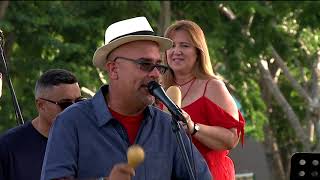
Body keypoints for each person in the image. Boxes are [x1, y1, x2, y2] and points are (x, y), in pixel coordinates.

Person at [41, 16, 212, 180]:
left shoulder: (168, 126)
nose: (155, 74)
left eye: (158, 65)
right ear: (114, 69)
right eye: (145, 65)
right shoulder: (71, 122)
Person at [161, 20, 245, 180]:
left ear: (198, 52)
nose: (176, 51)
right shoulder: (159, 91)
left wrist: (193, 128)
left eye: (184, 46)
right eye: (172, 46)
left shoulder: (213, 86)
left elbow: (231, 139)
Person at [0, 69, 82, 180]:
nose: (74, 109)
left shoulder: (88, 143)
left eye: (79, 102)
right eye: (65, 104)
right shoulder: (8, 147)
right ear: (41, 105)